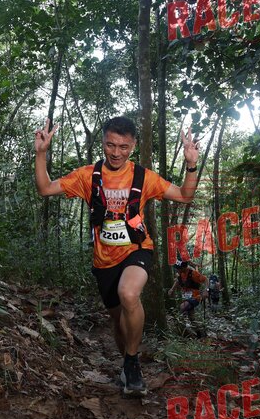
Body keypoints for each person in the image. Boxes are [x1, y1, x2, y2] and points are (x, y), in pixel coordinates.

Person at [34, 116, 201, 396]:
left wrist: (191, 164)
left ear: (133, 145)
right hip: (104, 261)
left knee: (129, 294)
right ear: (102, 142)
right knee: (118, 320)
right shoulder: (88, 175)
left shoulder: (143, 177)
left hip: (137, 249)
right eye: (110, 145)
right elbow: (45, 188)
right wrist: (41, 154)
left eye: (123, 147)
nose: (116, 152)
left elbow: (185, 195)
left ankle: (133, 363)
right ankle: (127, 363)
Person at [167, 259, 209, 337]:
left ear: (184, 267)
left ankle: (181, 327)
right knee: (192, 318)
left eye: (178, 268)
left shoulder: (193, 273)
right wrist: (172, 289)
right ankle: (200, 334)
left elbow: (205, 279)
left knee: (182, 307)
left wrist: (206, 290)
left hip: (195, 297)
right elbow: (177, 281)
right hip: (186, 298)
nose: (177, 270)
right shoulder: (181, 274)